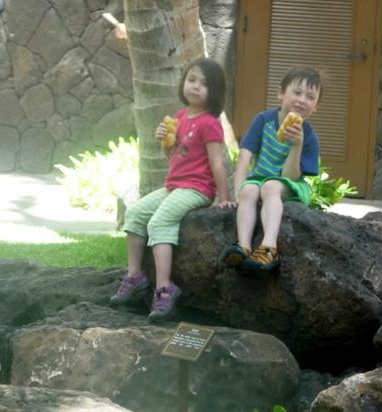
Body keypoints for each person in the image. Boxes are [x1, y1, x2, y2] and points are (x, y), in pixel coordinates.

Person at [110, 57, 235, 321]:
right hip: (175, 185)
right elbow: (175, 156)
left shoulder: (210, 122)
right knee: (134, 214)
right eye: (192, 80)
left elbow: (217, 162)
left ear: (215, 92)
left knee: (158, 223)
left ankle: (164, 288)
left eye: (204, 84)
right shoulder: (180, 117)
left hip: (197, 188)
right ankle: (135, 276)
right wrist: (165, 142)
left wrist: (223, 198)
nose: (196, 87)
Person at [223, 66, 322, 271]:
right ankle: (244, 246)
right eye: (297, 92)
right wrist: (239, 192)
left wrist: (297, 145)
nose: (302, 100)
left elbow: (291, 176)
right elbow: (244, 157)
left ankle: (269, 247)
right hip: (260, 180)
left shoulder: (309, 136)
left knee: (271, 186)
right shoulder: (263, 120)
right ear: (280, 93)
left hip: (293, 185)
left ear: (316, 106)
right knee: (250, 190)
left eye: (310, 97)